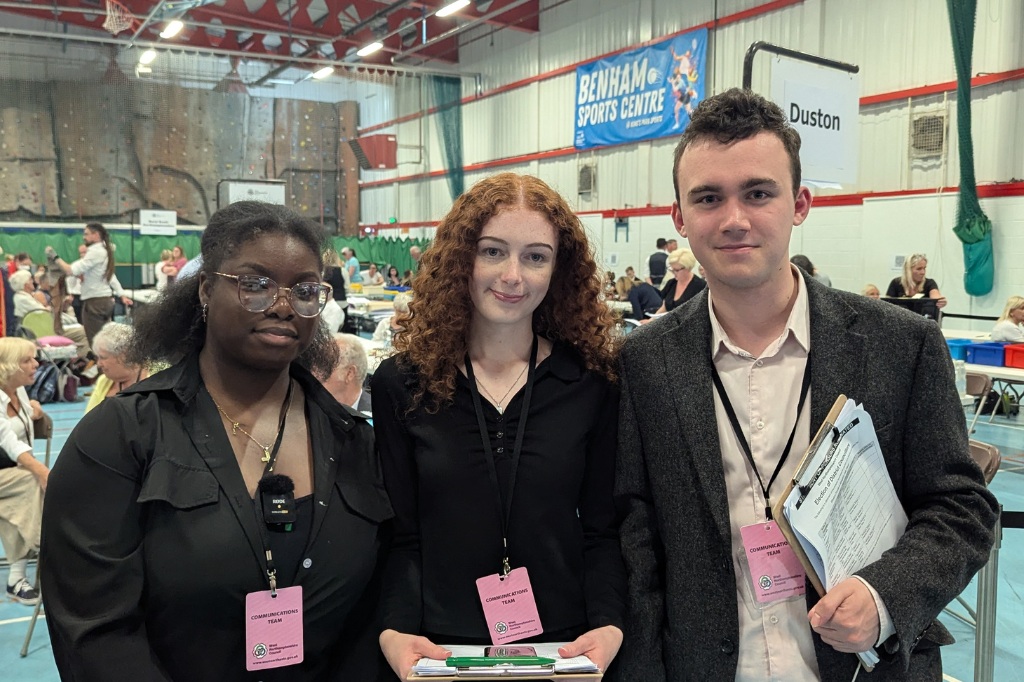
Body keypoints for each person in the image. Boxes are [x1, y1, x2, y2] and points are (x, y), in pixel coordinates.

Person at [615, 88, 998, 681]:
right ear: (679, 218)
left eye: (759, 193)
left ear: (799, 203)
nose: (735, 219)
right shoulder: (642, 363)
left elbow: (961, 506)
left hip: (863, 666)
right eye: (709, 198)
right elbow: (636, 538)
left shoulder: (901, 345)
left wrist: (884, 598)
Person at [41, 201, 392, 681]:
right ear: (206, 289)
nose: (284, 305)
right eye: (256, 284)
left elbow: (368, 614)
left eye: (305, 290)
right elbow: (95, 633)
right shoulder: (119, 438)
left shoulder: (352, 441)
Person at [372, 173, 625, 680]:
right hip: (440, 653)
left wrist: (610, 624)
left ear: (558, 270)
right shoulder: (404, 383)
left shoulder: (590, 383)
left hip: (564, 649)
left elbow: (602, 529)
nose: (513, 275)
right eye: (492, 252)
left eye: (535, 256)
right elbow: (402, 535)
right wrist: (394, 630)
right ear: (460, 258)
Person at [0, 337, 48, 606]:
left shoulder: (17, 391)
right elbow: (9, 440)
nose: (36, 363)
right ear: (8, 366)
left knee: (15, 502)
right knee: (31, 481)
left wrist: (35, 413)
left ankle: (15, 579)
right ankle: (49, 546)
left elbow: (23, 423)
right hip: (10, 471)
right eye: (27, 360)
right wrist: (43, 472)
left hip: (8, 474)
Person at [47, 222, 129, 344]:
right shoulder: (104, 251)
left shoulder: (96, 252)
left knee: (95, 341)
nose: (84, 237)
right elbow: (109, 277)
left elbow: (70, 270)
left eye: (86, 234)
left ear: (96, 235)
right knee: (104, 339)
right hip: (102, 300)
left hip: (95, 302)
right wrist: (121, 294)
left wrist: (55, 257)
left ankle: (99, 362)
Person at [8, 270, 91, 359]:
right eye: (30, 279)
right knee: (84, 332)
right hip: (45, 332)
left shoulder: (24, 297)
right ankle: (81, 360)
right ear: (25, 284)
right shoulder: (22, 298)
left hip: (44, 328)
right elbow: (44, 312)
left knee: (81, 329)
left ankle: (79, 359)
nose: (33, 281)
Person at [83, 322, 149, 414]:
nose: (98, 364)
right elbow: (88, 420)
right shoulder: (103, 382)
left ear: (124, 356)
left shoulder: (156, 379)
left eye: (103, 357)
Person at [319, 333, 371, 414]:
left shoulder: (376, 416)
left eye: (326, 368)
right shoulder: (310, 408)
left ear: (350, 374)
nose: (316, 374)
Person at [653, 248, 705, 315]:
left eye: (676, 270)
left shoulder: (701, 286)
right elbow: (665, 307)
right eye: (672, 269)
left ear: (688, 268)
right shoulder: (671, 283)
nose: (673, 273)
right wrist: (651, 320)